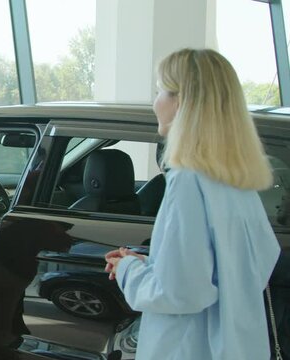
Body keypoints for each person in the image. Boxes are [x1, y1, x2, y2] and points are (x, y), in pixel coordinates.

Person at [104, 48, 281, 360]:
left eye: (159, 90)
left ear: (181, 102)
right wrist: (154, 265)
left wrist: (128, 269)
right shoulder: (238, 180)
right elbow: (230, 271)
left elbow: (181, 293)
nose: (155, 102)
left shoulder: (188, 181)